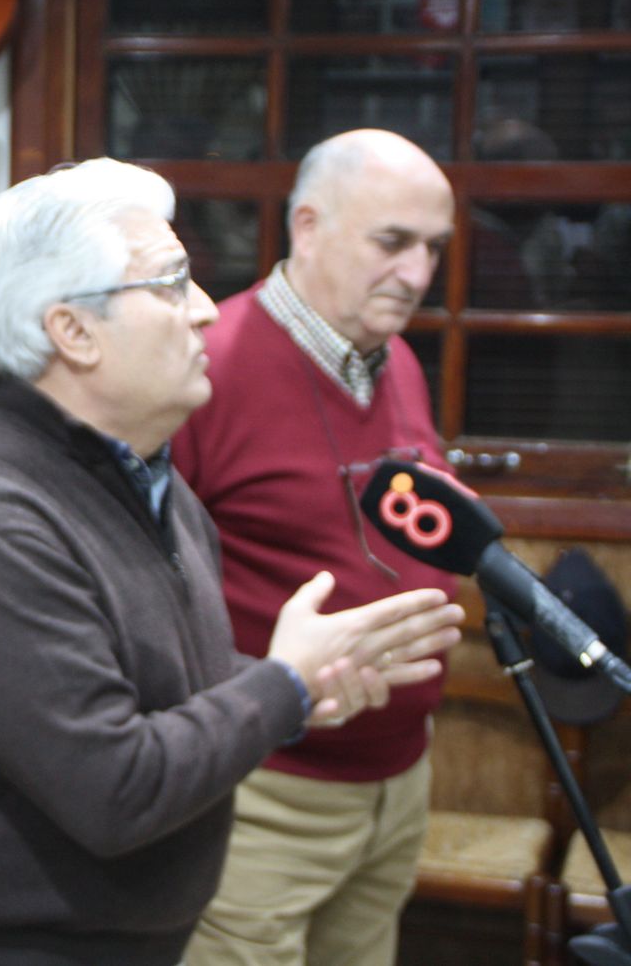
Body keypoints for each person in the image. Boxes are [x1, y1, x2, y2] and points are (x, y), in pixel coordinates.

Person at [0, 157, 466, 966]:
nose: (209, 311)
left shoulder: (144, 478)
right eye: (172, 284)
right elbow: (115, 787)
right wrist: (280, 685)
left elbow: (157, 682)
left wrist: (304, 681)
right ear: (72, 331)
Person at [174, 129, 460, 966]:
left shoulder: (396, 360)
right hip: (269, 797)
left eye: (433, 250)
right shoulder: (208, 365)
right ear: (306, 226)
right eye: (393, 243)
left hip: (398, 784)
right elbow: (141, 589)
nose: (417, 275)